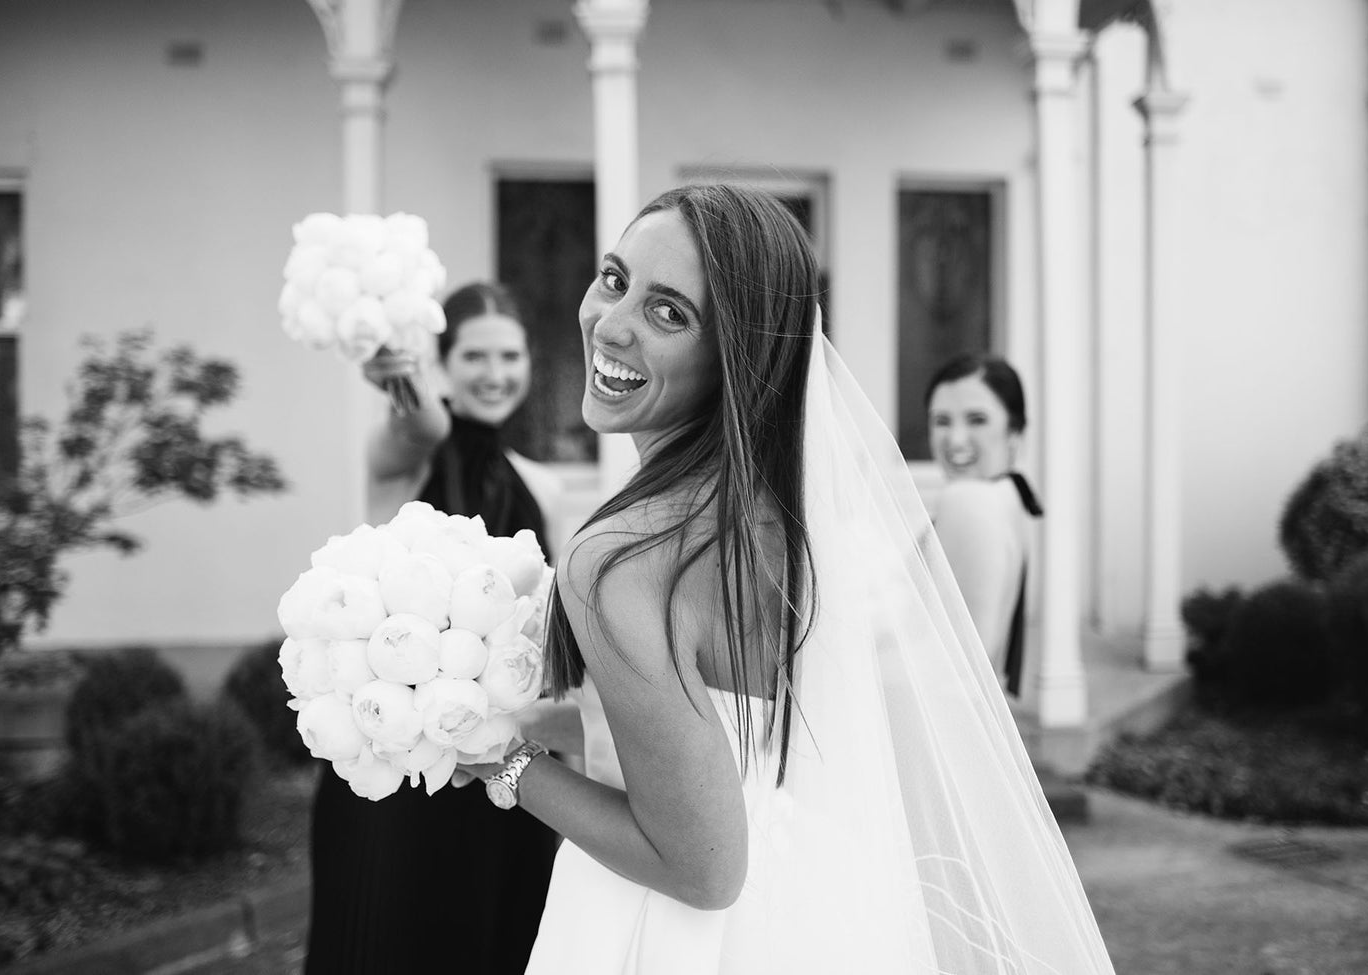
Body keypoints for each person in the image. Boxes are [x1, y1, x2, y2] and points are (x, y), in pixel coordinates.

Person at [462, 184, 1114, 974]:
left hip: (671, 934)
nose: (612, 322)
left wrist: (498, 759)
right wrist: (548, 724)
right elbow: (732, 728)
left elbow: (703, 868)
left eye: (670, 313)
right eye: (613, 277)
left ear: (735, 352)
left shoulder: (618, 557)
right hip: (811, 904)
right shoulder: (787, 521)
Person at [303, 281, 564, 975]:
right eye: (474, 355)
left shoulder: (546, 486)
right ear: (444, 364)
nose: (495, 372)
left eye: (510, 354)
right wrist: (398, 367)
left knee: (490, 935)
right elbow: (424, 424)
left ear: (530, 362)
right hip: (397, 762)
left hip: (494, 760)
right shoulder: (408, 456)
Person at [925, 355, 1043, 697]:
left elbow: (958, 665)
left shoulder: (969, 500)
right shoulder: (1009, 496)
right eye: (941, 421)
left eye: (977, 419)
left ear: (1015, 430)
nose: (955, 440)